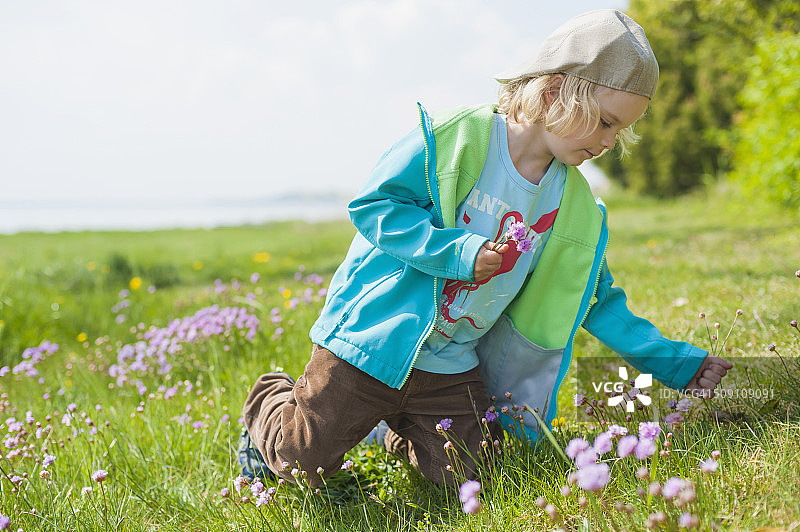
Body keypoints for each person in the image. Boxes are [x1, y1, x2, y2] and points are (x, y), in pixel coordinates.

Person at [239, 9, 732, 488]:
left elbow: (596, 298)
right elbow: (375, 205)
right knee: (302, 461)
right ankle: (270, 400)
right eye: (605, 121)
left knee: (473, 481)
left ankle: (400, 430)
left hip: (449, 363)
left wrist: (677, 363)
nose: (609, 142)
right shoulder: (454, 139)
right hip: (374, 345)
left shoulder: (574, 207)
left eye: (619, 130)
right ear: (559, 90)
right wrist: (455, 251)